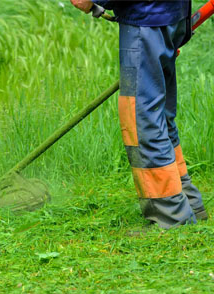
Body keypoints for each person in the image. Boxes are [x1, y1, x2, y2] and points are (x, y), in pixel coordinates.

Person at [70, 0, 208, 228]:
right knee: (159, 116)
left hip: (147, 19)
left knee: (142, 121)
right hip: (170, 15)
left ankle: (171, 218)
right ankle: (187, 201)